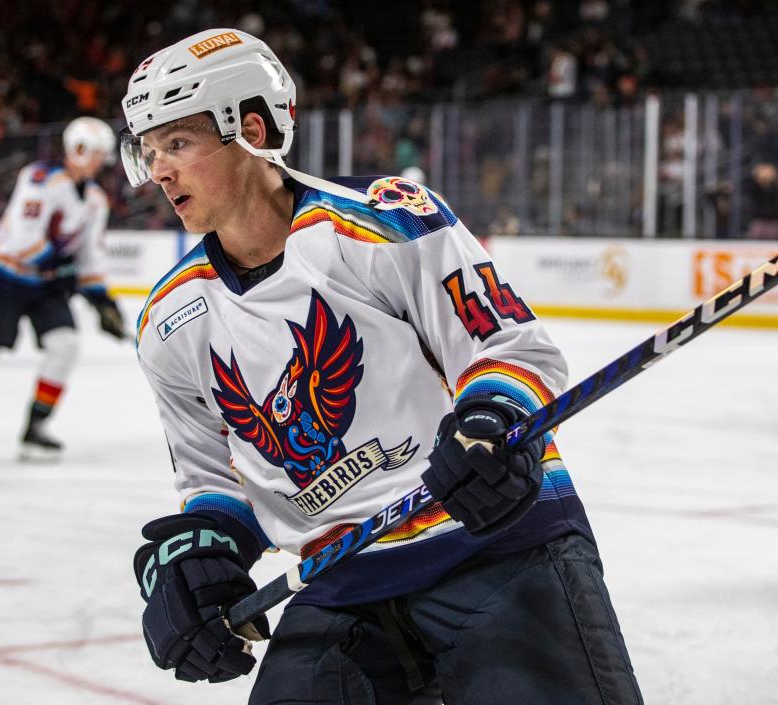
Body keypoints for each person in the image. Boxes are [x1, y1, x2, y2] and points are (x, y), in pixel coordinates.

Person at [122, 29, 643, 705]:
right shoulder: (171, 318)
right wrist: (199, 557)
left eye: (178, 144)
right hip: (339, 585)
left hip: (491, 545)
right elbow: (214, 477)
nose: (159, 170)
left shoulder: (380, 223)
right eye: (150, 149)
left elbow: (508, 346)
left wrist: (489, 420)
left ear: (250, 127)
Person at [0, 117, 127, 463]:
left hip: (45, 284)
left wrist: (101, 299)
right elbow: (23, 239)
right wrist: (61, 270)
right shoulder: (39, 179)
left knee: (65, 346)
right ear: (77, 149)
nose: (99, 162)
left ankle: (36, 429)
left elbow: (89, 254)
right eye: (96, 153)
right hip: (4, 278)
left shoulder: (95, 200)